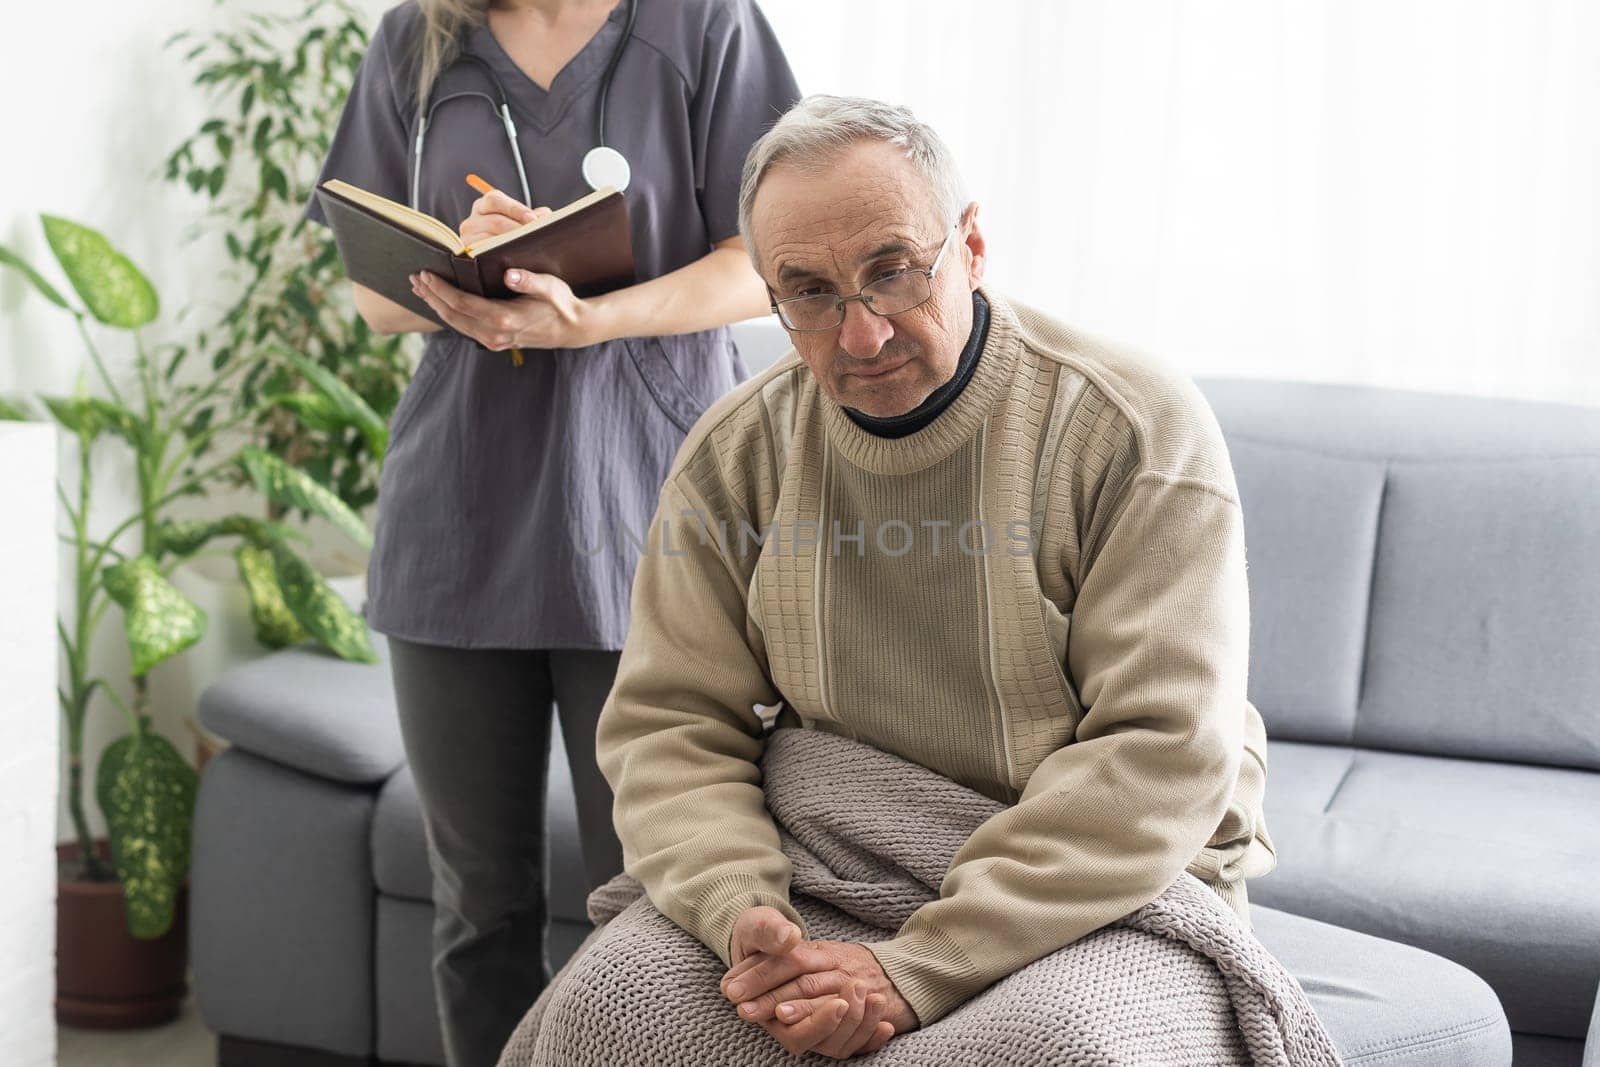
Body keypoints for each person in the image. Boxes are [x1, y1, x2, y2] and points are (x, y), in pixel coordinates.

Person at [593, 94, 1277, 1059]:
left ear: (973, 246)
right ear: (770, 297)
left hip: (1098, 878)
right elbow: (672, 722)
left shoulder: (1134, 427)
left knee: (1054, 1047)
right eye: (811, 294)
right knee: (609, 1012)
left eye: (894, 274)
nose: (861, 334)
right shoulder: (735, 452)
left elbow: (1160, 753)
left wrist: (921, 965)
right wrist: (738, 904)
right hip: (823, 854)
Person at [300, 1, 800, 1063]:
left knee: (654, 896)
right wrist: (477, 271)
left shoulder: (702, 23)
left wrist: (585, 314)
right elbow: (373, 296)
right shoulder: (418, 37)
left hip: (644, 508)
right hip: (459, 512)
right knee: (475, 905)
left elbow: (760, 259)